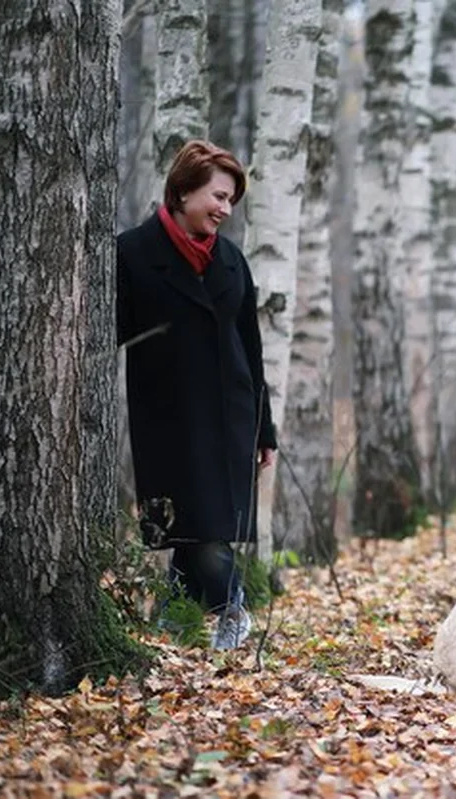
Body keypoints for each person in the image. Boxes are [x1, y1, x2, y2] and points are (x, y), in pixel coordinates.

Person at [116, 139, 277, 650]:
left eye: (231, 200)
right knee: (189, 523)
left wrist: (263, 428)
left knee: (207, 523)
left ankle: (198, 615)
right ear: (183, 191)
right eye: (218, 196)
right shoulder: (133, 253)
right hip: (168, 416)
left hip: (230, 412)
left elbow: (250, 349)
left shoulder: (231, 260)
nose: (225, 210)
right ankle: (220, 608)